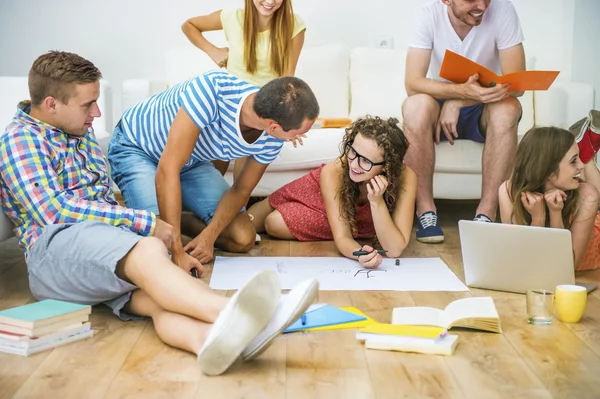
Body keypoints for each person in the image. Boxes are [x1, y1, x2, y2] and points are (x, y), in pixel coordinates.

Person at [0, 51, 318, 376]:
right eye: (88, 104)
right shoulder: (20, 139)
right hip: (53, 253)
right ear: (52, 104)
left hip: (91, 250)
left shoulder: (78, 133)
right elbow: (54, 211)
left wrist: (140, 227)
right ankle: (256, 315)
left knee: (159, 297)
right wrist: (146, 223)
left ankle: (206, 341)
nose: (97, 112)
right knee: (152, 249)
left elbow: (103, 201)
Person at [108, 71, 319, 274]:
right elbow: (168, 168)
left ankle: (168, 218)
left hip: (190, 161)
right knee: (157, 245)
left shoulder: (272, 137)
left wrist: (209, 236)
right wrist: (177, 252)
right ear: (273, 127)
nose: (297, 138)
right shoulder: (211, 90)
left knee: (242, 238)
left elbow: (241, 189)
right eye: (299, 133)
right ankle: (154, 221)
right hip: (137, 148)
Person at [402, 0, 525, 243]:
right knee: (415, 106)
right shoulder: (427, 14)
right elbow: (412, 83)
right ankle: (426, 211)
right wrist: (459, 93)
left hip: (483, 104)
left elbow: (516, 84)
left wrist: (460, 100)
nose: (481, 5)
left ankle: (486, 214)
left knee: (508, 108)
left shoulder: (503, 10)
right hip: (441, 103)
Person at [248, 116, 417, 269]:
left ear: (387, 166)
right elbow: (343, 237)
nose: (355, 164)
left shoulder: (406, 177)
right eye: (352, 151)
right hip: (317, 194)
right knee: (248, 223)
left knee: (275, 223)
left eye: (365, 161)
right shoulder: (334, 171)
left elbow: (394, 250)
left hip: (342, 217)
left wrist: (376, 201)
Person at [182, 0, 306, 178]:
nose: (270, 1)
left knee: (246, 153)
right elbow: (189, 25)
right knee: (214, 166)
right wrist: (213, 50)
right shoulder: (232, 17)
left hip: (263, 107)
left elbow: (287, 78)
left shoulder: (294, 25)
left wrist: (288, 120)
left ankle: (239, 205)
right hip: (227, 104)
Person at [498, 123, 600, 271]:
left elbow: (565, 266)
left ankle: (587, 150)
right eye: (573, 161)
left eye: (578, 159)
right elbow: (522, 257)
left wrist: (555, 214)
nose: (579, 166)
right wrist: (538, 219)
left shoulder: (587, 195)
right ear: (548, 170)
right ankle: (586, 146)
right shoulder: (508, 191)